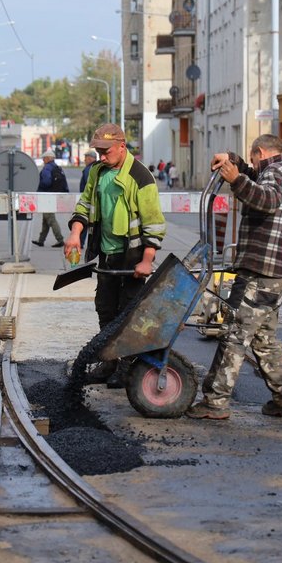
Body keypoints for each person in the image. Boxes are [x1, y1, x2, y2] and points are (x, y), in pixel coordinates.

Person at [187, 134, 282, 421]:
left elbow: (267, 199)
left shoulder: (277, 173)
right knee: (263, 341)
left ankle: (215, 402)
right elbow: (254, 177)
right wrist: (234, 161)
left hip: (260, 273)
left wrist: (237, 179)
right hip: (272, 273)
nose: (251, 166)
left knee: (234, 336)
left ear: (260, 152)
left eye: (252, 159)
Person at [64, 123, 165, 385]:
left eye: (106, 151)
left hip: (132, 256)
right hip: (107, 253)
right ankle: (109, 361)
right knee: (105, 308)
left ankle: (128, 366)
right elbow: (84, 205)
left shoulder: (140, 177)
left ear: (122, 146)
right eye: (98, 151)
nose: (101, 156)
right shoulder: (97, 172)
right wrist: (76, 233)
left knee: (127, 313)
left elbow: (153, 222)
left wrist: (146, 260)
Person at [32, 149, 67, 248]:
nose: (43, 160)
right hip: (53, 196)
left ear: (48, 158)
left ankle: (60, 240)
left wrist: (38, 183)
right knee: (46, 219)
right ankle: (41, 240)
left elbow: (46, 182)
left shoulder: (47, 168)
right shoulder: (56, 167)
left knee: (50, 219)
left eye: (44, 158)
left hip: (46, 196)